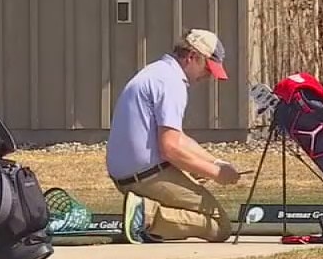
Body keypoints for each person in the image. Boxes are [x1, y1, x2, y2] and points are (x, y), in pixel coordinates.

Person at [104, 29, 243, 243]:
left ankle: (146, 214)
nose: (208, 76)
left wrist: (214, 162)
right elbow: (170, 148)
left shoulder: (158, 73)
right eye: (208, 67)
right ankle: (147, 216)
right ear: (192, 57)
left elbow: (179, 138)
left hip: (131, 175)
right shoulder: (172, 83)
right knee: (219, 226)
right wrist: (216, 173)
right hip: (147, 176)